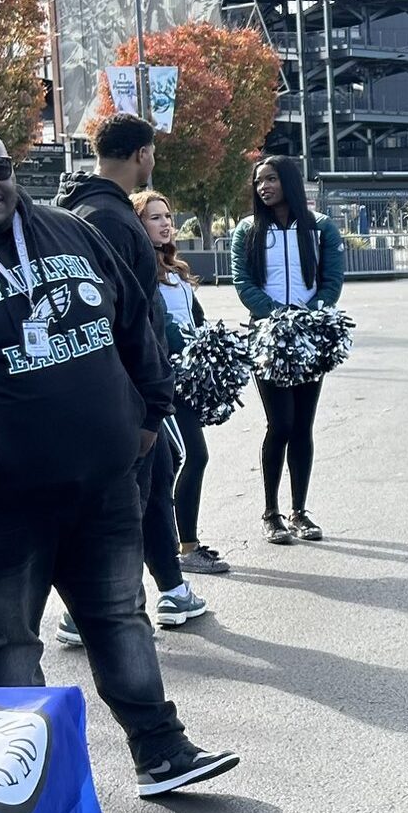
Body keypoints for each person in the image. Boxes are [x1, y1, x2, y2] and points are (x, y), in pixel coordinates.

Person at [0, 121, 239, 798]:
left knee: (120, 617)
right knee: (7, 646)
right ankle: (28, 795)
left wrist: (151, 409)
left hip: (100, 487)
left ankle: (162, 751)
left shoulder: (69, 230)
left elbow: (136, 317)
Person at [56, 112, 207, 636]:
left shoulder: (78, 206)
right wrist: (147, 391)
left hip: (112, 385)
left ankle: (171, 588)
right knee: (126, 502)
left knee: (155, 478)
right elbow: (125, 316)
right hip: (122, 390)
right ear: (143, 153)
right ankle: (91, 610)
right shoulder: (111, 219)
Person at [230, 155, 345, 545]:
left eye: (272, 179)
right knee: (280, 424)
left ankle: (299, 511)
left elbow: (332, 281)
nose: (264, 186)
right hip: (266, 338)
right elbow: (242, 283)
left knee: (302, 426)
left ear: (290, 182)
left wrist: (307, 316)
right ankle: (270, 512)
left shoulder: (321, 228)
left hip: (311, 336)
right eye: (259, 181)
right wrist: (278, 316)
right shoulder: (246, 231)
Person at [136, 188, 228, 575]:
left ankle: (182, 543)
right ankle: (179, 547)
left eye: (168, 216)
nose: (166, 224)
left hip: (187, 379)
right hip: (163, 381)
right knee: (184, 457)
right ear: (138, 225)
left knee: (188, 458)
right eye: (154, 217)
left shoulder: (177, 272)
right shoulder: (140, 273)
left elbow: (197, 322)